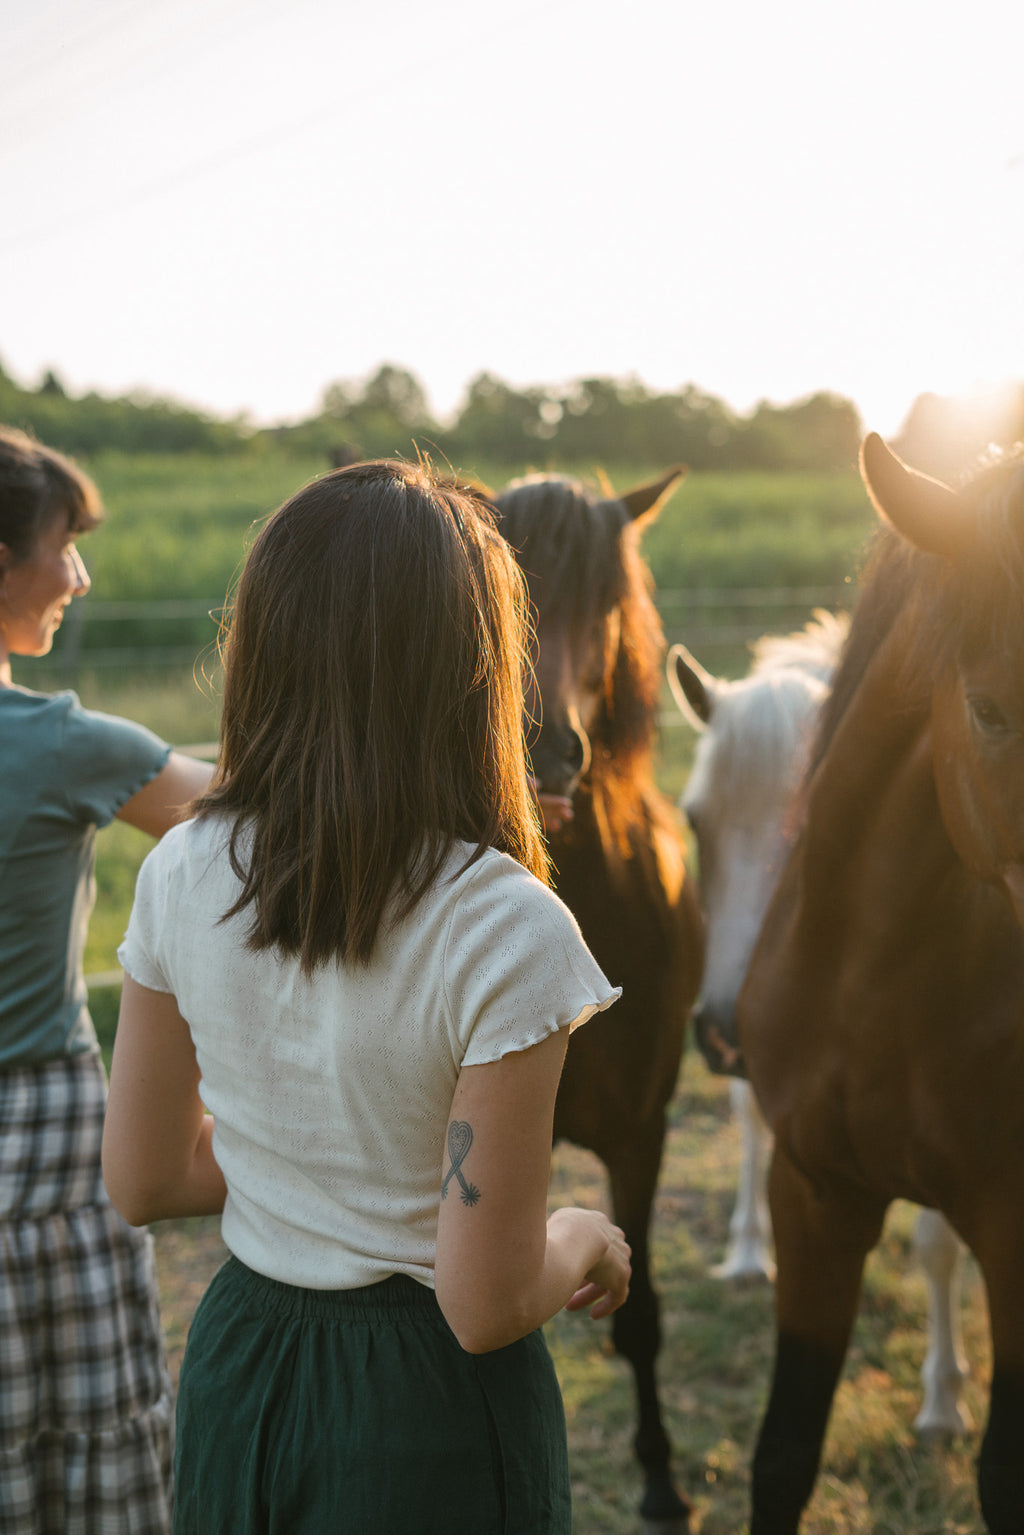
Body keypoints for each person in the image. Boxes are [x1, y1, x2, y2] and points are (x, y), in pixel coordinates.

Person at [102, 459, 631, 1534]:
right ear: (477, 664)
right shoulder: (507, 923)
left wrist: (296, 1167)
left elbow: (146, 1175)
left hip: (242, 1360)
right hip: (423, 1407)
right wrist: (585, 1234)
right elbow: (482, 1306)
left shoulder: (180, 869)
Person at [0, 425, 214, 1534]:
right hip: (39, 1141)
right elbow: (248, 813)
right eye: (62, 545)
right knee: (86, 1451)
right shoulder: (55, 743)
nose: (78, 576)